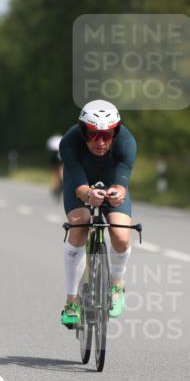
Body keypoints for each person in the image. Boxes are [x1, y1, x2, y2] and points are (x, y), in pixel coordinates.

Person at [59, 99, 136, 329]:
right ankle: (71, 302)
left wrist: (118, 193)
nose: (101, 142)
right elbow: (79, 185)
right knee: (80, 224)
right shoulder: (69, 142)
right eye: (94, 135)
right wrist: (89, 194)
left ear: (116, 132)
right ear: (84, 132)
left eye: (108, 135)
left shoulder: (127, 142)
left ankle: (117, 284)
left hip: (112, 184)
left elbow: (122, 182)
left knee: (122, 235)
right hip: (80, 184)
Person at [47, 133, 63, 202]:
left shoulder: (52, 140)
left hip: (54, 155)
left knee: (55, 172)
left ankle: (55, 186)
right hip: (59, 155)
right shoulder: (62, 138)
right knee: (60, 170)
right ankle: (62, 182)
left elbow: (48, 148)